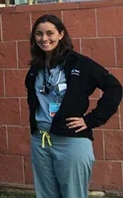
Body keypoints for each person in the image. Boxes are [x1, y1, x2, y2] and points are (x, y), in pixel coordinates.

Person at [26, 14, 122, 198]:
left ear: (61, 34)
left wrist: (91, 120)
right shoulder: (36, 68)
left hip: (71, 140)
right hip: (41, 141)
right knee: (45, 194)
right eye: (38, 34)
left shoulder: (80, 64)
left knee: (73, 194)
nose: (44, 38)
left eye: (49, 33)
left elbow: (114, 88)